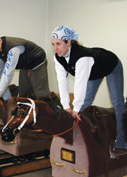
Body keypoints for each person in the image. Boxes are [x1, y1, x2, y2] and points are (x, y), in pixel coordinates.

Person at [51, 25, 127, 155]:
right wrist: (66, 106)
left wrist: (75, 108)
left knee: (118, 103)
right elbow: (62, 82)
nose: (55, 48)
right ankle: (77, 136)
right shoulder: (58, 57)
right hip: (94, 72)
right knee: (84, 102)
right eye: (53, 44)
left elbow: (80, 83)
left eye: (58, 44)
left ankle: (122, 143)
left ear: (68, 42)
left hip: (111, 65)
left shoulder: (82, 57)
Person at [0, 31, 51, 101]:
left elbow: (7, 73)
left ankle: (50, 109)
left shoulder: (13, 48)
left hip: (37, 61)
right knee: (23, 92)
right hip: (25, 64)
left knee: (40, 93)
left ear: (0, 41)